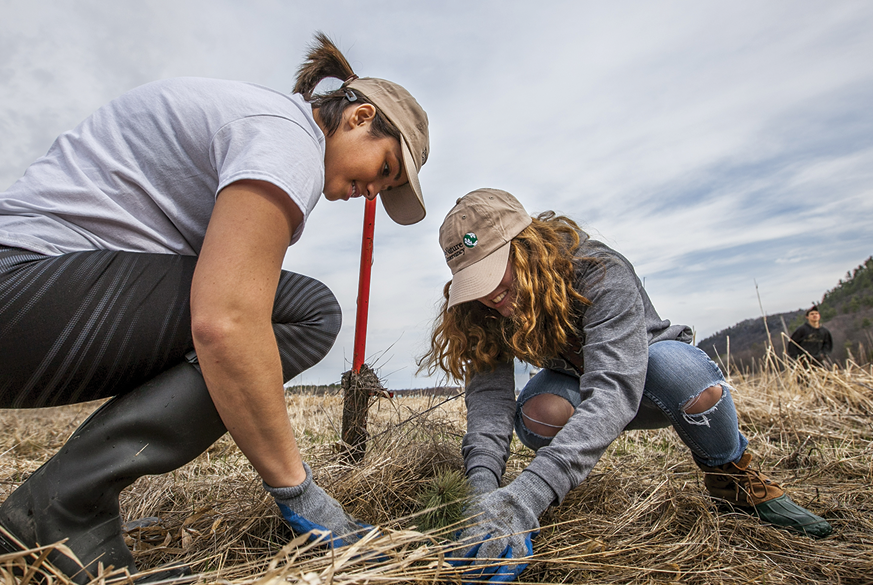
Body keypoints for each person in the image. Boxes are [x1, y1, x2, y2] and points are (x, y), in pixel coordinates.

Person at [0, 33, 429, 582]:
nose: (373, 191)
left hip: (38, 299)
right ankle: (60, 511)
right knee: (303, 313)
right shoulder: (288, 139)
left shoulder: (265, 123)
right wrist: (300, 493)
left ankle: (64, 508)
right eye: (385, 169)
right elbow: (224, 322)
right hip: (22, 287)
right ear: (358, 117)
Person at [419, 189, 832, 583]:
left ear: (526, 246)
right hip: (576, 387)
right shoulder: (483, 309)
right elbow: (491, 405)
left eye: (496, 275)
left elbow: (614, 387)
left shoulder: (597, 271)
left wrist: (527, 494)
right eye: (476, 282)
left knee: (687, 380)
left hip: (648, 375)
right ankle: (561, 478)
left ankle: (733, 476)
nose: (491, 295)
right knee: (538, 414)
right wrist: (480, 495)